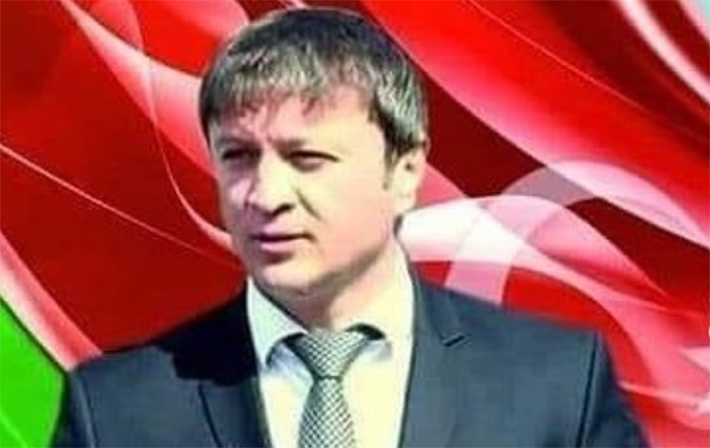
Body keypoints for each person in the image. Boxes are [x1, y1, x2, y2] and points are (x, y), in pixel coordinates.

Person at [51, 7, 650, 448]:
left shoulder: (556, 387)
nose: (265, 195)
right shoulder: (117, 411)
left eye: (307, 159)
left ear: (404, 171)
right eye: (238, 157)